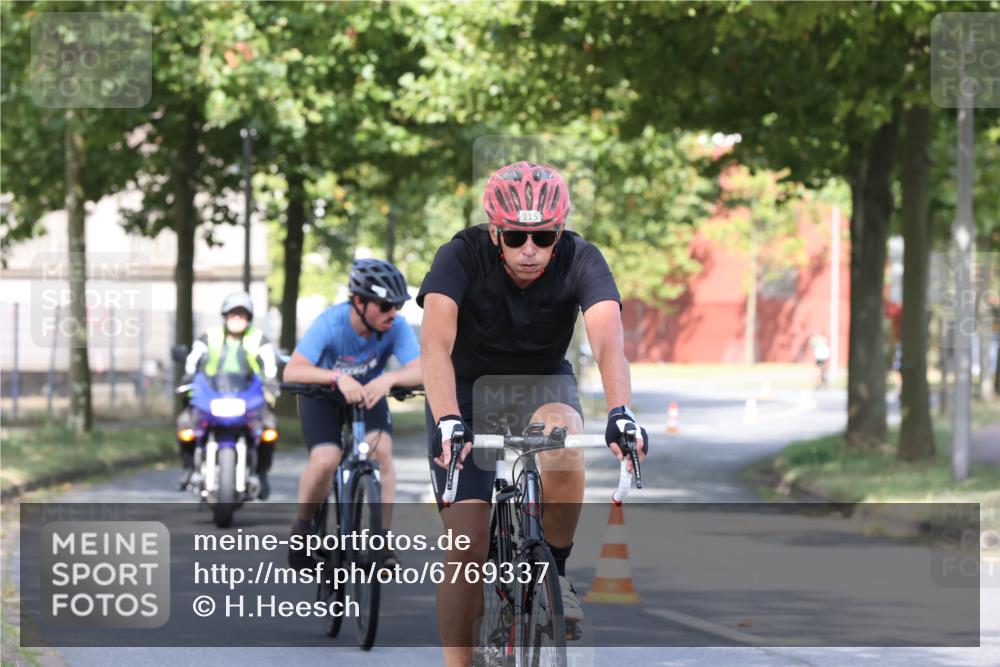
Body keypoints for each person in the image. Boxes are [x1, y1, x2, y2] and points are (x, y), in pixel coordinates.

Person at [417, 161, 648, 665]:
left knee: (564, 443)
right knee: (466, 548)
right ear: (495, 231)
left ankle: (556, 574)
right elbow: (434, 344)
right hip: (466, 391)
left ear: (559, 232)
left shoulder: (581, 258)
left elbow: (609, 341)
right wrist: (448, 420)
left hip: (543, 382)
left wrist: (621, 412)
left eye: (544, 237)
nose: (530, 250)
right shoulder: (459, 255)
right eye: (517, 237)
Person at [284, 258, 422, 570]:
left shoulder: (396, 327)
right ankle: (303, 529)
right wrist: (336, 378)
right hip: (324, 395)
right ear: (359, 302)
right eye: (385, 306)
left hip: (368, 394)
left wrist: (388, 379)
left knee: (382, 450)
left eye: (397, 306)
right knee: (325, 459)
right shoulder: (330, 323)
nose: (393, 314)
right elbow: (294, 369)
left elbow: (422, 368)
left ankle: (382, 542)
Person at [177, 292, 279, 498]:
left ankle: (261, 473)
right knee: (185, 424)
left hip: (247, 395)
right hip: (213, 393)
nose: (237, 319)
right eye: (233, 314)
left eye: (242, 315)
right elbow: (194, 358)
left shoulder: (258, 339)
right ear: (225, 315)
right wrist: (188, 376)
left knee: (270, 428)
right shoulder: (209, 336)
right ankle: (189, 468)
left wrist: (271, 381)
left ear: (249, 318)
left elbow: (269, 363)